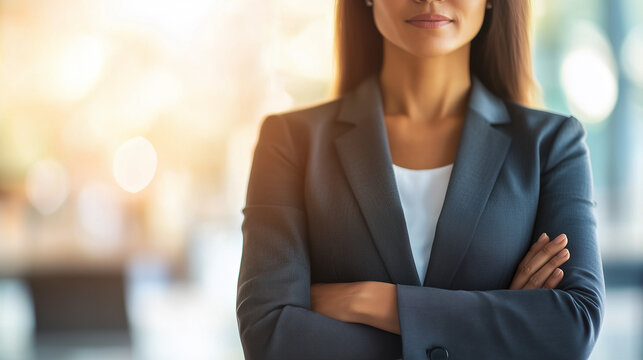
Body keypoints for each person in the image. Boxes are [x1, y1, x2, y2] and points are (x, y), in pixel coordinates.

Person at [236, 0, 605, 359]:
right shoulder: (289, 142)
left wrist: (368, 300)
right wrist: (500, 332)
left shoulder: (552, 144)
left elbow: (574, 325)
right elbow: (269, 336)